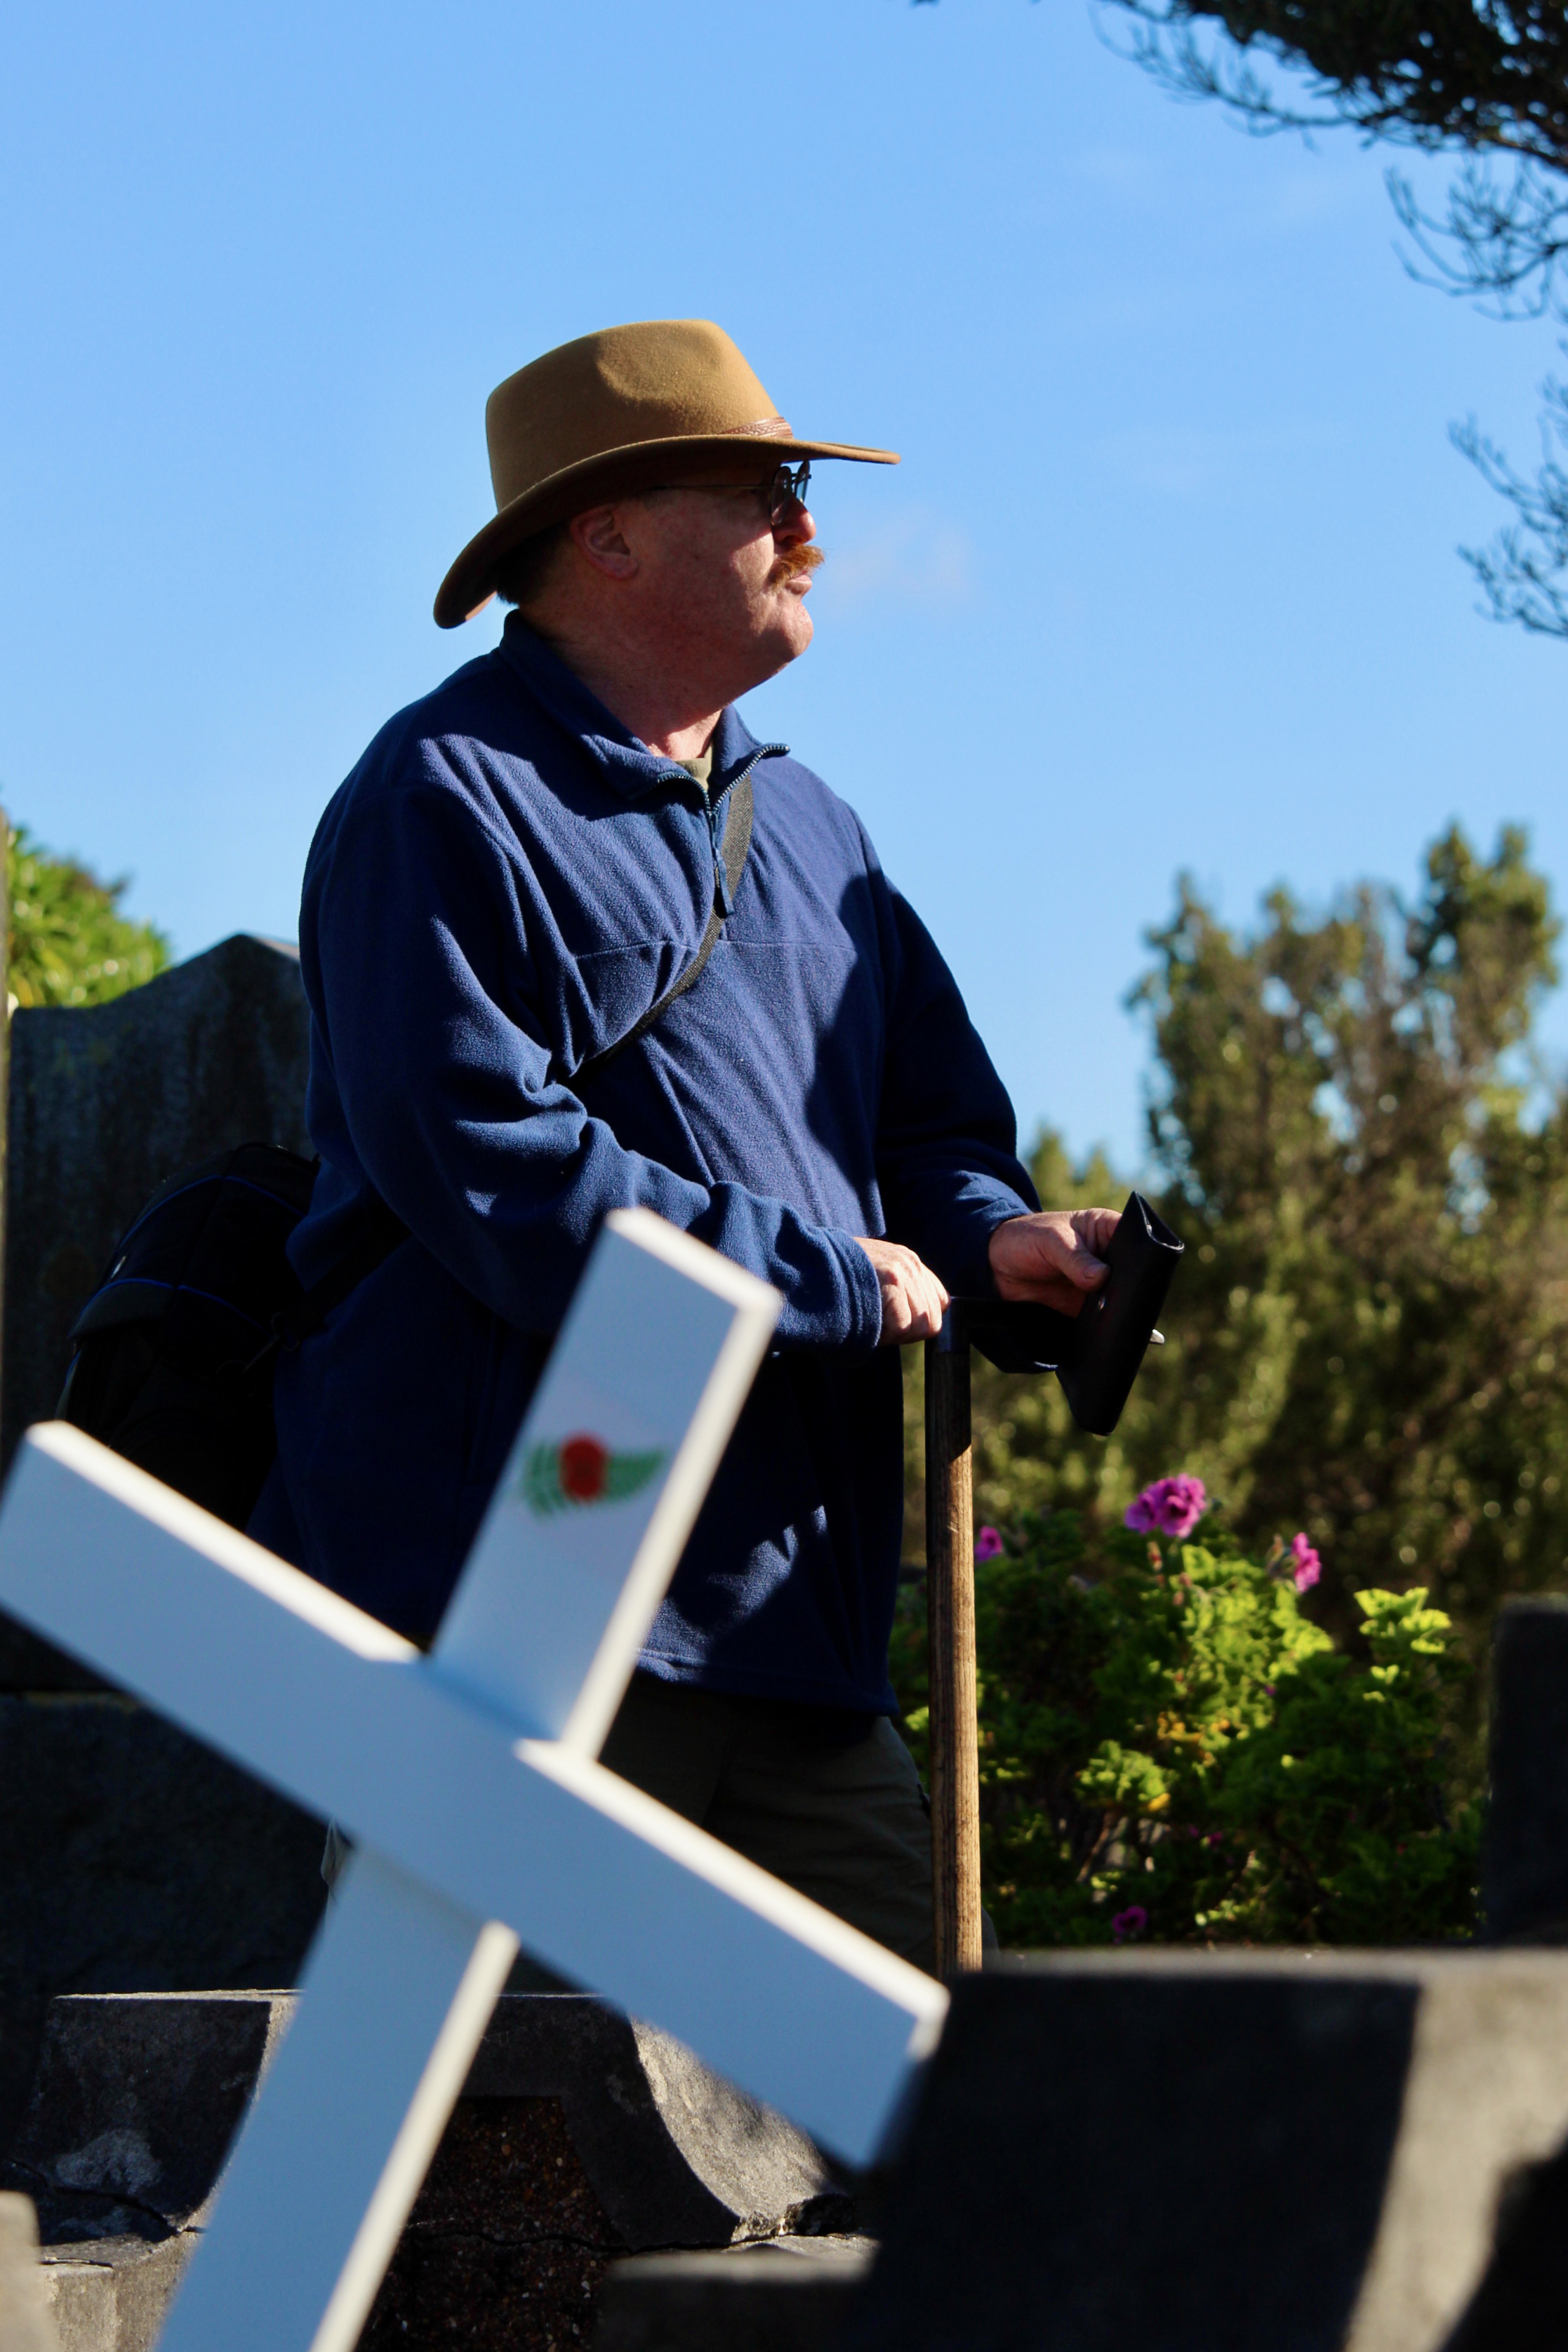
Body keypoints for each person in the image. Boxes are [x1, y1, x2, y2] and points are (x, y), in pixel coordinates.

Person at [251, 319, 1118, 1975]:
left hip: (789, 1626)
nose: (810, 527)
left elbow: (926, 1126)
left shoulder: (813, 828)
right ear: (610, 533)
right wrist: (820, 1277)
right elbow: (490, 1162)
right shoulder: (440, 796)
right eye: (772, 489)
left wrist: (987, 1236)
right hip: (532, 1613)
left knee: (932, 2126)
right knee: (522, 2158)